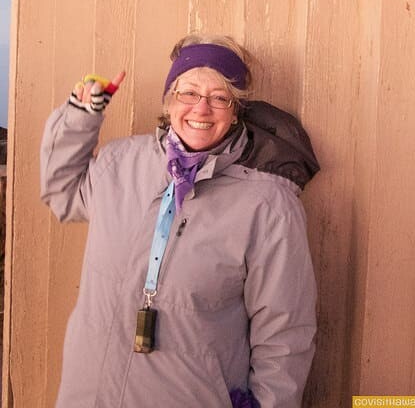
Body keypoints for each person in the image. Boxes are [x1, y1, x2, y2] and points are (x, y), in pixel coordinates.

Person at [40, 34, 320, 408]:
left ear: (236, 110)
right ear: (170, 99)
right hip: (89, 395)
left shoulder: (268, 205)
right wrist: (80, 115)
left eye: (219, 97)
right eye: (188, 92)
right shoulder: (119, 163)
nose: (201, 109)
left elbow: (285, 334)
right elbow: (63, 194)